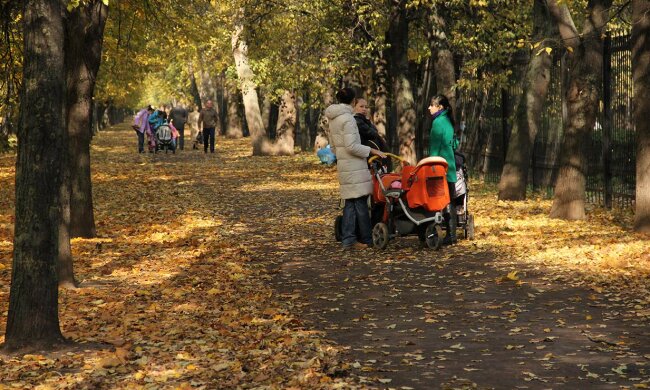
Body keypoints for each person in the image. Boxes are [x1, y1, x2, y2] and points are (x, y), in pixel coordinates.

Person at [326, 87, 386, 250]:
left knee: (351, 203)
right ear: (353, 102)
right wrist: (372, 151)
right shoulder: (348, 119)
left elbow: (333, 146)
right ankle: (366, 239)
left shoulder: (333, 118)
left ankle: (349, 239)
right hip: (354, 165)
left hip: (345, 165)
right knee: (359, 203)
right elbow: (352, 146)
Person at [428, 94, 457, 245]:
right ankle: (452, 235)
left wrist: (430, 163)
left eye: (431, 105)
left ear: (439, 107)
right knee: (450, 201)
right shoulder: (448, 121)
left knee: (439, 201)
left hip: (439, 168)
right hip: (450, 167)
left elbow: (434, 147)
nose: (429, 108)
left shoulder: (438, 123)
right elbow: (455, 143)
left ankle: (441, 233)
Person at [353, 98, 391, 169]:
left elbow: (374, 132)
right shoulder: (357, 120)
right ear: (354, 107)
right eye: (361, 106)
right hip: (366, 156)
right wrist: (368, 121)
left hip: (370, 156)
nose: (364, 109)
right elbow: (372, 134)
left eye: (366, 107)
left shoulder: (364, 120)